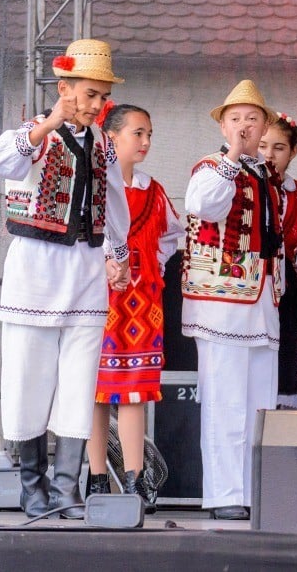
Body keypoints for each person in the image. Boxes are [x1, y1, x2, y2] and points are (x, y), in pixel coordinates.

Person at [0, 39, 130, 519]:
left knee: (77, 382)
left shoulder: (104, 145)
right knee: (27, 377)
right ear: (64, 88)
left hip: (86, 272)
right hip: (35, 271)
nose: (96, 105)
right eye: (90, 94)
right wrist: (49, 121)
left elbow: (114, 205)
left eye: (101, 97)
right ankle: (33, 486)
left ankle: (67, 487)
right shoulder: (34, 134)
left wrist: (119, 253)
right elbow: (1, 164)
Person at [180, 79, 284, 520]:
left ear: (265, 128)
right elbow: (205, 205)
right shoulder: (211, 166)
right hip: (221, 301)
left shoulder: (264, 174)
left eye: (252, 119)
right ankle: (224, 494)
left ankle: (252, 491)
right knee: (224, 400)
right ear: (223, 127)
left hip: (260, 300)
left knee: (259, 401)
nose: (244, 125)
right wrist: (232, 159)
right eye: (235, 118)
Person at [85, 103, 185, 513]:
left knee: (133, 393)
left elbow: (170, 236)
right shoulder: (93, 185)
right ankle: (95, 478)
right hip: (96, 299)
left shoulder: (154, 190)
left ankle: (134, 479)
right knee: (93, 391)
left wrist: (150, 268)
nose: (144, 142)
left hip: (142, 305)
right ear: (110, 137)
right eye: (136, 133)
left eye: (148, 135)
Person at [259, 112, 297, 409]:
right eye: (264, 145)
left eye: (278, 148)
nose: (269, 154)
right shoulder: (247, 184)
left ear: (293, 152)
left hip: (285, 283)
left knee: (286, 349)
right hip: (251, 279)